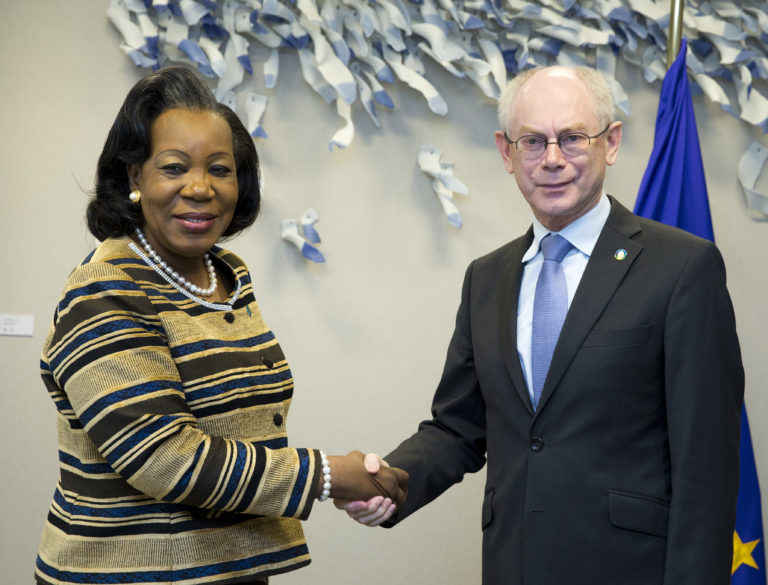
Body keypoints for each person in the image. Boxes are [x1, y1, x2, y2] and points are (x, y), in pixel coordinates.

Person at [336, 65, 744, 585]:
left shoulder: (682, 267)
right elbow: (458, 428)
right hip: (514, 565)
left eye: (572, 138)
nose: (553, 160)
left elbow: (705, 465)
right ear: (507, 153)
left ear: (611, 143)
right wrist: (389, 482)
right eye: (533, 141)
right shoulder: (486, 277)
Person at [34, 66, 407, 585]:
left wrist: (350, 482)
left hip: (231, 567)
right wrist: (324, 475)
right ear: (134, 177)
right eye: (174, 167)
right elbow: (164, 457)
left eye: (219, 169)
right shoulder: (107, 288)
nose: (200, 187)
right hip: (137, 575)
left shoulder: (227, 274)